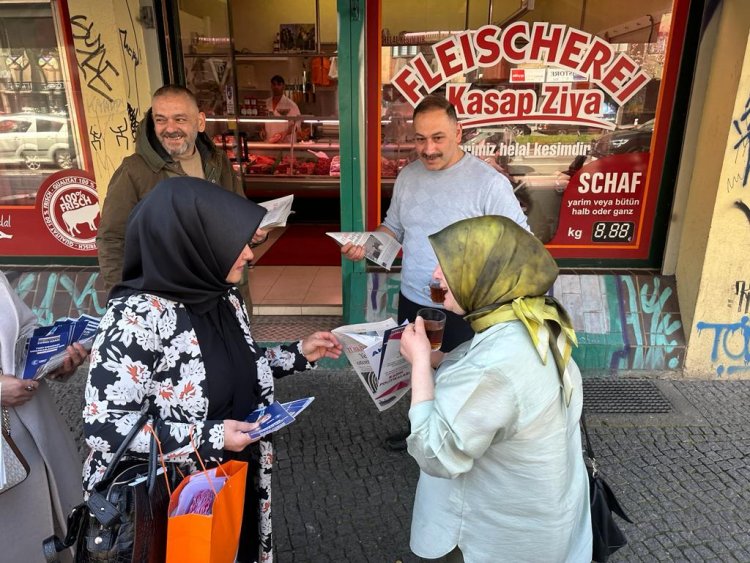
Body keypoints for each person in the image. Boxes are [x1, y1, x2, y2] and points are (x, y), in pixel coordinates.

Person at [83, 177, 342, 563]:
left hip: (232, 480)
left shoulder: (223, 297)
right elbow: (103, 425)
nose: (250, 255)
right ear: (194, 242)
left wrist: (300, 353)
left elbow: (233, 368)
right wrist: (211, 436)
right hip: (167, 503)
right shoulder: (136, 318)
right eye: (235, 242)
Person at [399, 215, 592, 562]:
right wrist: (439, 360)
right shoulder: (535, 321)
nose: (435, 276)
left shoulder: (494, 366)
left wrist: (418, 363)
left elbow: (435, 452)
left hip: (490, 537)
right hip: (547, 516)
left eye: (448, 265)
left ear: (487, 273)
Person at [341, 94, 529, 449]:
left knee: (463, 376)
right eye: (420, 138)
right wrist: (366, 246)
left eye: (438, 137)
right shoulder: (408, 177)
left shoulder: (489, 183)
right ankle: (421, 432)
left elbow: (520, 242)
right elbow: (393, 228)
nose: (427, 149)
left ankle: (462, 444)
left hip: (465, 304)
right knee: (420, 367)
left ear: (459, 132)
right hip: (414, 296)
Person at [96, 84, 266, 311]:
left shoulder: (217, 162)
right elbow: (111, 239)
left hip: (223, 294)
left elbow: (238, 216)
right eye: (161, 120)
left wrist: (253, 233)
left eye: (180, 119)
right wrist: (122, 301)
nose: (170, 128)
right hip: (168, 301)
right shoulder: (133, 172)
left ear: (200, 122)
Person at [0, 271, 88, 563]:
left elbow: (24, 331)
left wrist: (54, 359)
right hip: (8, 463)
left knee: (62, 538)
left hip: (37, 432)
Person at [263, 75, 300, 143]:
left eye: (279, 84)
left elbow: (297, 125)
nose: (276, 87)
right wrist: (262, 130)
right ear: (271, 86)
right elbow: (262, 120)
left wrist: (284, 133)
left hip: (286, 144)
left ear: (283, 86)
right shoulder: (266, 103)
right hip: (269, 142)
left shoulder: (291, 105)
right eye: (274, 84)